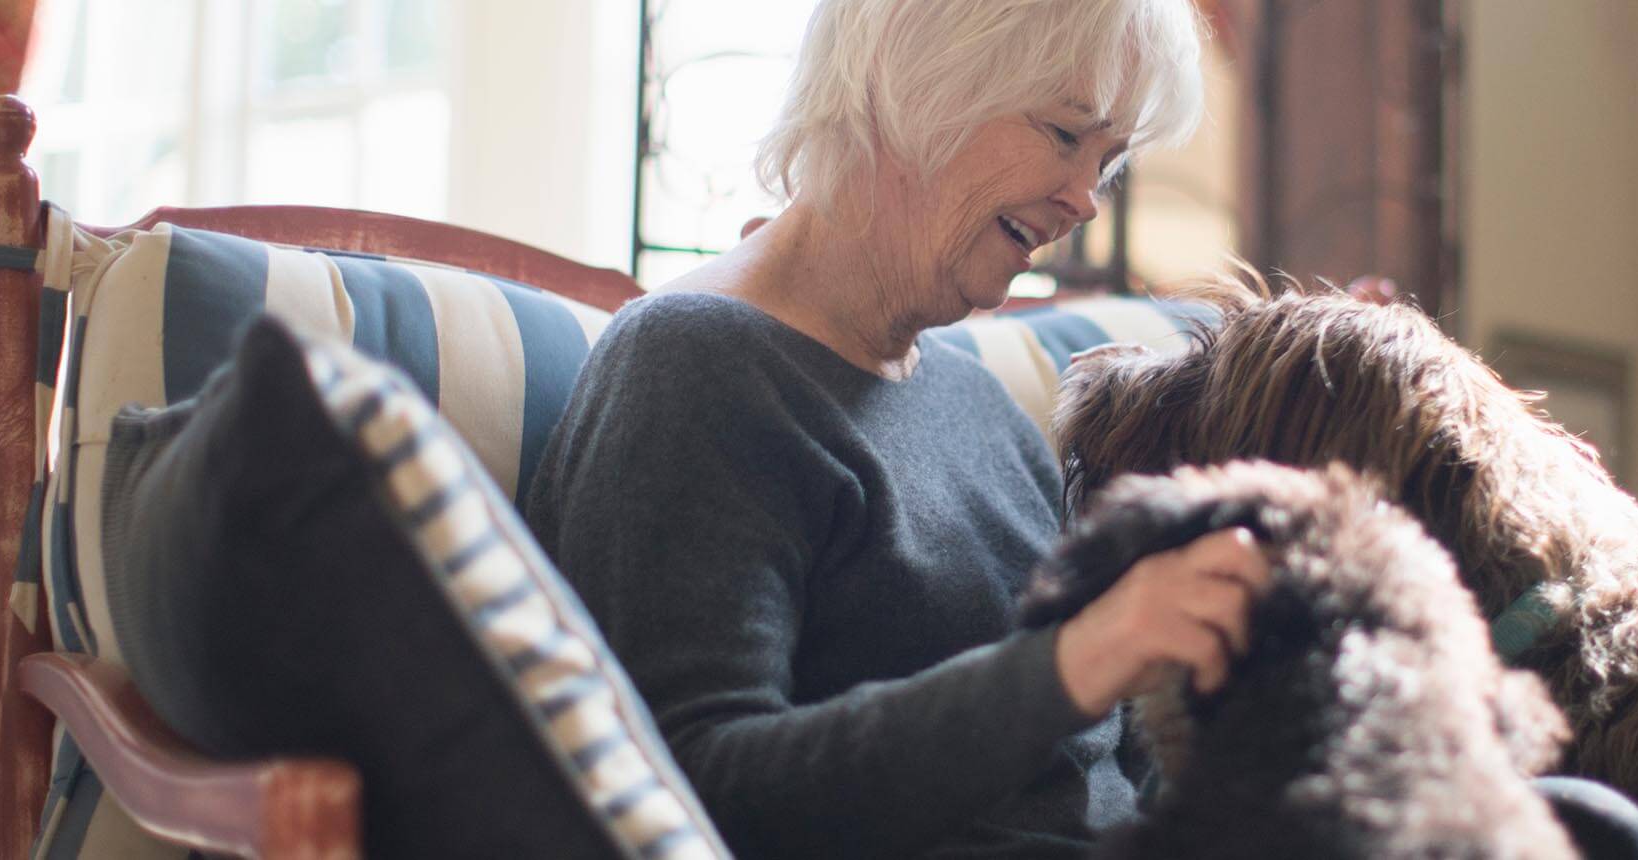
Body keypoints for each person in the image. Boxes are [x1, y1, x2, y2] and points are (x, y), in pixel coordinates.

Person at [525, 1, 1263, 856]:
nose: (1085, 202)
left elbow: (1129, 759)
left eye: (1109, 162)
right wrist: (1073, 664)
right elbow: (689, 786)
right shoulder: (693, 365)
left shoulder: (982, 406)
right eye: (1066, 135)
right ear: (914, 87)